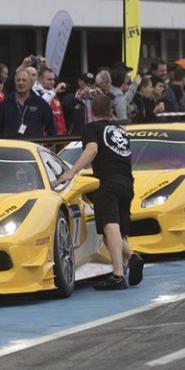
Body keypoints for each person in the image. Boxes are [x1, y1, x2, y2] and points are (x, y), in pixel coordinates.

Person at [53, 92, 143, 290]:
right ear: (110, 111)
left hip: (107, 183)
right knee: (117, 231)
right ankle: (132, 258)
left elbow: (92, 150)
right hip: (127, 182)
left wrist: (71, 172)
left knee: (110, 227)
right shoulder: (120, 131)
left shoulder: (91, 129)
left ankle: (118, 275)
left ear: (91, 111)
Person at [0, 68, 57, 139]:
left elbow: (52, 129)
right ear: (14, 83)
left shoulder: (41, 104)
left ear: (30, 83)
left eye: (24, 80)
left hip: (33, 145)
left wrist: (49, 144)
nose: (21, 83)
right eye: (18, 80)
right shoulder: (5, 104)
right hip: (11, 145)